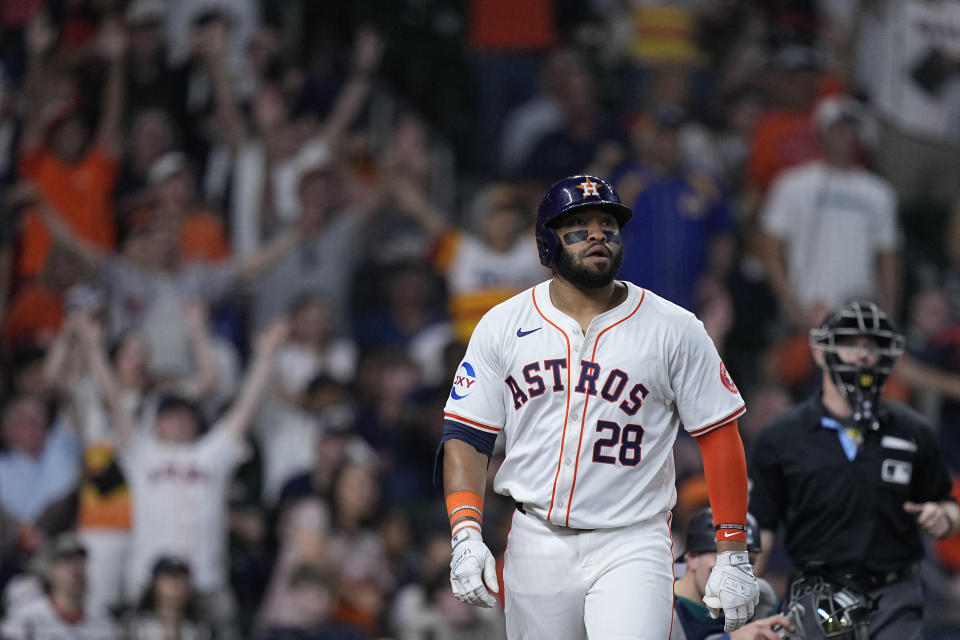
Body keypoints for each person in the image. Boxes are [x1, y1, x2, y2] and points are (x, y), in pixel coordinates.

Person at [438, 174, 759, 639]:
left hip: (633, 539)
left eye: (607, 224)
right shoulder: (502, 324)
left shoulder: (674, 327)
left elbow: (719, 435)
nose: (596, 235)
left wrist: (733, 551)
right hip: (537, 538)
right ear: (547, 243)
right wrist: (466, 532)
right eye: (578, 225)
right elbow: (467, 435)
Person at [750, 300, 960, 640]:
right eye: (849, 343)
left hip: (894, 597)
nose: (861, 355)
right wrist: (743, 608)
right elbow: (761, 526)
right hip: (818, 597)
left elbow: (948, 507)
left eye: (870, 346)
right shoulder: (783, 436)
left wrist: (944, 517)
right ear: (821, 352)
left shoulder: (913, 430)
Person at [672, 507, 793, 640]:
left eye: (749, 562)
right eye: (726, 561)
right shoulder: (661, 605)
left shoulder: (762, 600)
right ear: (692, 558)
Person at [0, 533, 121, 639]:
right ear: (49, 571)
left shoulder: (102, 627)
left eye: (80, 561)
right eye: (66, 561)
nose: (75, 569)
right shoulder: (27, 619)